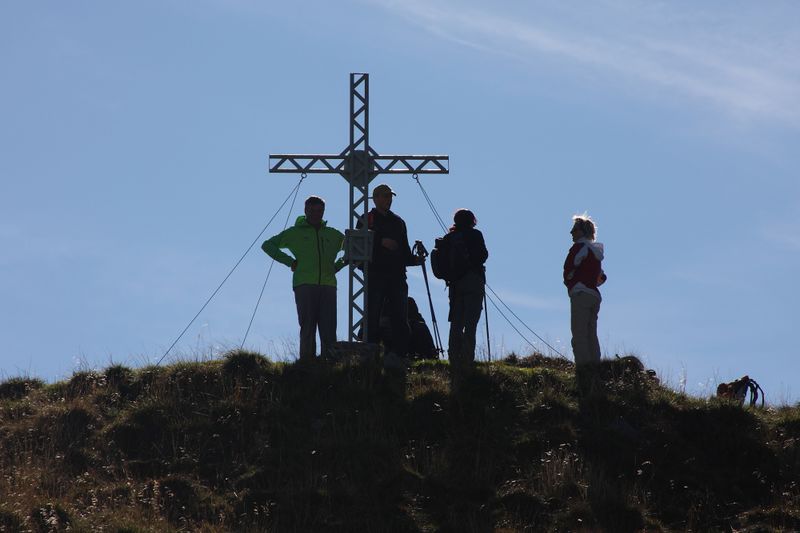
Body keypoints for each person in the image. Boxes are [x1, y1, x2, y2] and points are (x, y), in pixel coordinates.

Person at [261, 196, 345, 361]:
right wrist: (290, 262)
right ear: (305, 211)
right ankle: (307, 363)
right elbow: (267, 245)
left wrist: (338, 266)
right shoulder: (295, 233)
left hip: (328, 285)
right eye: (312, 210)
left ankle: (329, 363)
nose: (316, 214)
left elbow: (354, 247)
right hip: (304, 284)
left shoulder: (333, 234)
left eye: (320, 211)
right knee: (308, 326)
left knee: (329, 327)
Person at [363, 183, 423, 360]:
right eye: (385, 196)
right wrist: (380, 241)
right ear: (375, 198)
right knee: (373, 315)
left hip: (397, 275)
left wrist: (415, 260)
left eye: (390, 196)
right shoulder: (367, 219)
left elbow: (404, 251)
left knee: (400, 317)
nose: (388, 200)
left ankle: (400, 355)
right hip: (375, 274)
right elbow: (359, 245)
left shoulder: (398, 222)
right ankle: (372, 355)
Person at [444, 209, 489, 379]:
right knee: (471, 323)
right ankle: (467, 359)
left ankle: (453, 357)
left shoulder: (449, 238)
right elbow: (483, 255)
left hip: (455, 285)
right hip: (473, 281)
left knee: (456, 322)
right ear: (472, 220)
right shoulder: (475, 235)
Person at [563, 214, 607, 369]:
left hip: (580, 293)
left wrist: (570, 281)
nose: (571, 232)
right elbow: (601, 277)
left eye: (575, 229)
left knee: (579, 333)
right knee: (591, 333)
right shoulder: (595, 252)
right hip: (594, 295)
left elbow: (568, 268)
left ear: (582, 231)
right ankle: (595, 366)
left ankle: (584, 368)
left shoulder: (579, 248)